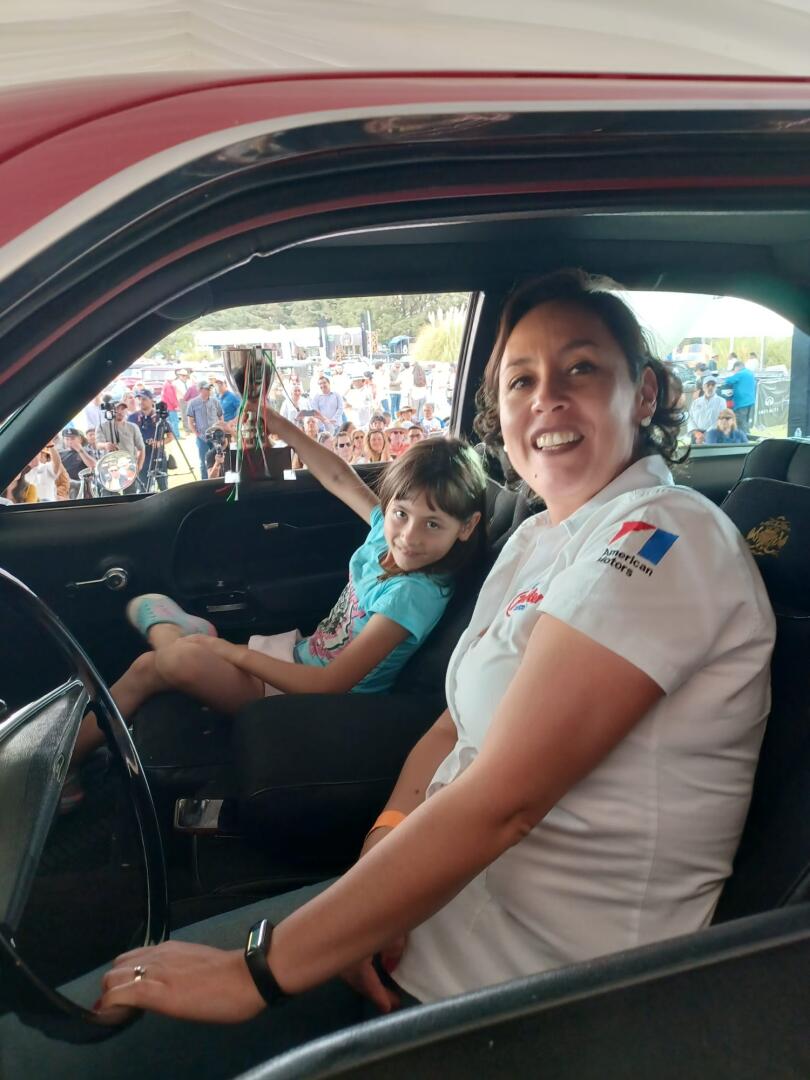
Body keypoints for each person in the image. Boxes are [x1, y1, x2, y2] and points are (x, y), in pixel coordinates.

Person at [9, 271, 776, 1078]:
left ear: (645, 392)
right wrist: (383, 848)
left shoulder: (663, 540)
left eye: (580, 368)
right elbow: (450, 728)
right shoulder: (541, 539)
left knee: (63, 1050)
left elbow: (504, 799)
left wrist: (257, 972)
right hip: (429, 922)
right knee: (79, 1023)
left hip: (544, 996)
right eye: (521, 379)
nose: (546, 398)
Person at [70, 423, 485, 771]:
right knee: (150, 666)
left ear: (466, 528)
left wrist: (229, 652)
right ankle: (69, 765)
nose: (410, 536)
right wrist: (276, 422)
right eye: (402, 514)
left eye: (434, 524)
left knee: (171, 660)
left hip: (316, 704)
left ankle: (68, 765)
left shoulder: (413, 594)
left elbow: (329, 684)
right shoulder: (386, 535)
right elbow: (339, 477)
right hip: (297, 660)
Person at [129, 390, 173, 492]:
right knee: (143, 487)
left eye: (144, 399)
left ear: (152, 401)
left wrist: (158, 443)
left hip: (158, 455)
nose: (141, 401)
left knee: (163, 487)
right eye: (139, 399)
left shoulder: (159, 416)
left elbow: (170, 437)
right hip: (141, 456)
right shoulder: (132, 417)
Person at [98, 400, 146, 474]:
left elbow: (141, 448)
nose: (120, 411)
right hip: (111, 468)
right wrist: (105, 445)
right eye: (117, 409)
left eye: (123, 409)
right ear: (111, 411)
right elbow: (98, 444)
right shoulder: (102, 427)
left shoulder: (133, 427)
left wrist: (138, 467)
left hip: (129, 467)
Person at [187, 382, 223, 479]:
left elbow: (221, 416)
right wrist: (197, 433)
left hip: (215, 437)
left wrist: (221, 429)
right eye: (206, 389)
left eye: (209, 389)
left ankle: (217, 480)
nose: (209, 391)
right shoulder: (193, 403)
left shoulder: (215, 401)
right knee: (203, 462)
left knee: (218, 459)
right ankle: (204, 482)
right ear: (200, 389)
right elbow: (190, 421)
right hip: (202, 438)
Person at [720, 360, 757, 434]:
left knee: (740, 422)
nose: (734, 372)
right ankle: (747, 437)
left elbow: (728, 381)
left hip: (742, 402)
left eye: (734, 370)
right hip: (750, 401)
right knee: (745, 422)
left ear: (737, 367)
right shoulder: (749, 373)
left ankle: (745, 439)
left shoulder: (740, 374)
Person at [159, 374, 181, 439]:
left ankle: (171, 435)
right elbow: (171, 397)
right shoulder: (169, 386)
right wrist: (176, 405)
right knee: (174, 421)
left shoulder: (165, 385)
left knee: (169, 422)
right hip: (170, 407)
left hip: (166, 406)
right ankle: (176, 435)